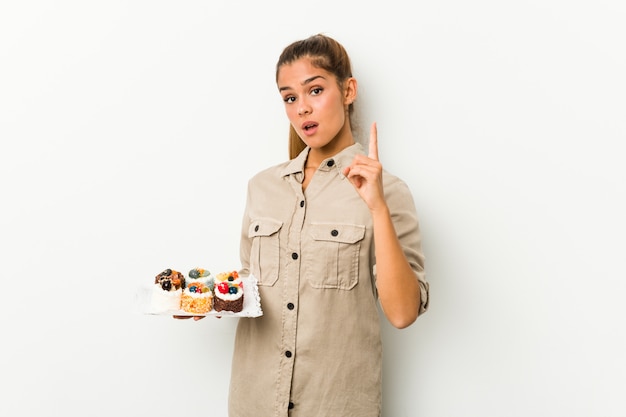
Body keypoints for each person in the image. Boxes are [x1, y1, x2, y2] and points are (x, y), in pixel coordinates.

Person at [182, 33, 429, 417]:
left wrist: (377, 208)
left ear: (348, 91)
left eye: (315, 90)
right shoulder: (263, 187)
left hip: (335, 404)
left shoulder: (388, 192)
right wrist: (212, 298)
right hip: (255, 401)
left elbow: (402, 313)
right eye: (290, 97)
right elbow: (253, 287)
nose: (302, 109)